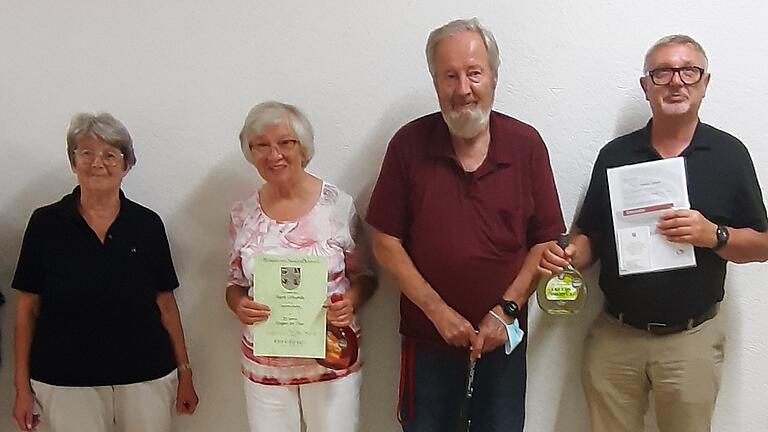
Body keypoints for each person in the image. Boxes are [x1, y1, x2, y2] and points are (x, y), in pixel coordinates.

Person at [539, 35, 768, 432]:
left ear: (705, 83)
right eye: (662, 72)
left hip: (691, 341)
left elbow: (764, 246)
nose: (675, 81)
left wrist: (713, 235)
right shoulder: (615, 155)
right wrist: (571, 254)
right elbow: (592, 234)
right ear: (647, 86)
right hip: (616, 336)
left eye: (688, 71)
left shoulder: (730, 155)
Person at [366, 18, 565, 431]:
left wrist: (506, 311)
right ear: (435, 81)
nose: (463, 89)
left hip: (503, 341)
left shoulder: (526, 145)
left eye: (474, 73)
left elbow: (545, 243)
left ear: (493, 76)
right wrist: (438, 312)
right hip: (427, 340)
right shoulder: (408, 144)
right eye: (449, 76)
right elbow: (385, 241)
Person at [12, 112, 199, 432]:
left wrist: (185, 373)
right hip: (65, 381)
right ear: (73, 161)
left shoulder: (147, 225)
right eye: (86, 152)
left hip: (146, 377)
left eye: (110, 155)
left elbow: (166, 305)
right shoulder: (45, 224)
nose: (97, 163)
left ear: (127, 165)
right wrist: (21, 390)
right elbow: (26, 311)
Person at [226, 101, 377, 432]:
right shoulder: (242, 213)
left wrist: (350, 302)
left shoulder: (337, 206)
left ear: (303, 147)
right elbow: (234, 284)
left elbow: (366, 276)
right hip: (265, 367)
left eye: (285, 143)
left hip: (331, 360)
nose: (274, 154)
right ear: (250, 152)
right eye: (261, 145)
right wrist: (239, 305)